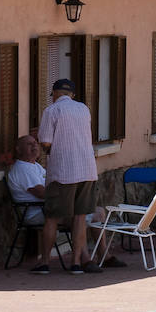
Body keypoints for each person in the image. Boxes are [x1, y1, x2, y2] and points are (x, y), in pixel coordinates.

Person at [34, 79, 101, 275]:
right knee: (80, 217)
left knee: (52, 217)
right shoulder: (83, 109)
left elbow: (45, 142)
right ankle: (76, 263)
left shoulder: (51, 111)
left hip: (63, 172)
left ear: (55, 94)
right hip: (87, 169)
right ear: (71, 94)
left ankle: (44, 262)